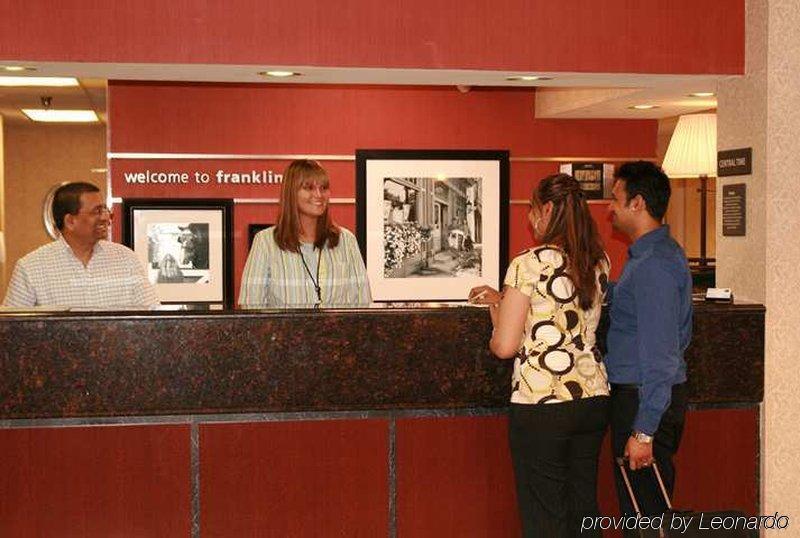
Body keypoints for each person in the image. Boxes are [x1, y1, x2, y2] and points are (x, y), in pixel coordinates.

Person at [469, 174, 610, 537]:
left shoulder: (528, 263)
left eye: (532, 211)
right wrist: (504, 301)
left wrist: (497, 309)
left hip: (542, 402)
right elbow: (560, 317)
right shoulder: (598, 261)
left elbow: (505, 346)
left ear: (547, 209)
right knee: (583, 510)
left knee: (545, 515)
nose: (531, 220)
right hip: (592, 396)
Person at [605, 161, 692, 519]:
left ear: (637, 203)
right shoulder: (652, 256)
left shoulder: (654, 263)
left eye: (615, 198)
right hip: (643, 396)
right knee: (643, 514)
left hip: (644, 398)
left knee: (646, 517)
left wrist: (643, 432)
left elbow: (661, 355)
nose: (610, 207)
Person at [3, 182, 157, 308]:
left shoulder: (126, 258)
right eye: (97, 211)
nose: (105, 217)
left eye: (105, 210)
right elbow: (10, 330)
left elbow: (153, 314)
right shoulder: (31, 267)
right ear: (70, 221)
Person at [239, 159, 371, 307]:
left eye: (324, 187)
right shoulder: (265, 242)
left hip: (339, 331)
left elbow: (362, 305)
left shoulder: (346, 240)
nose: (318, 194)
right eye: (309, 188)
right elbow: (251, 310)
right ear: (291, 193)